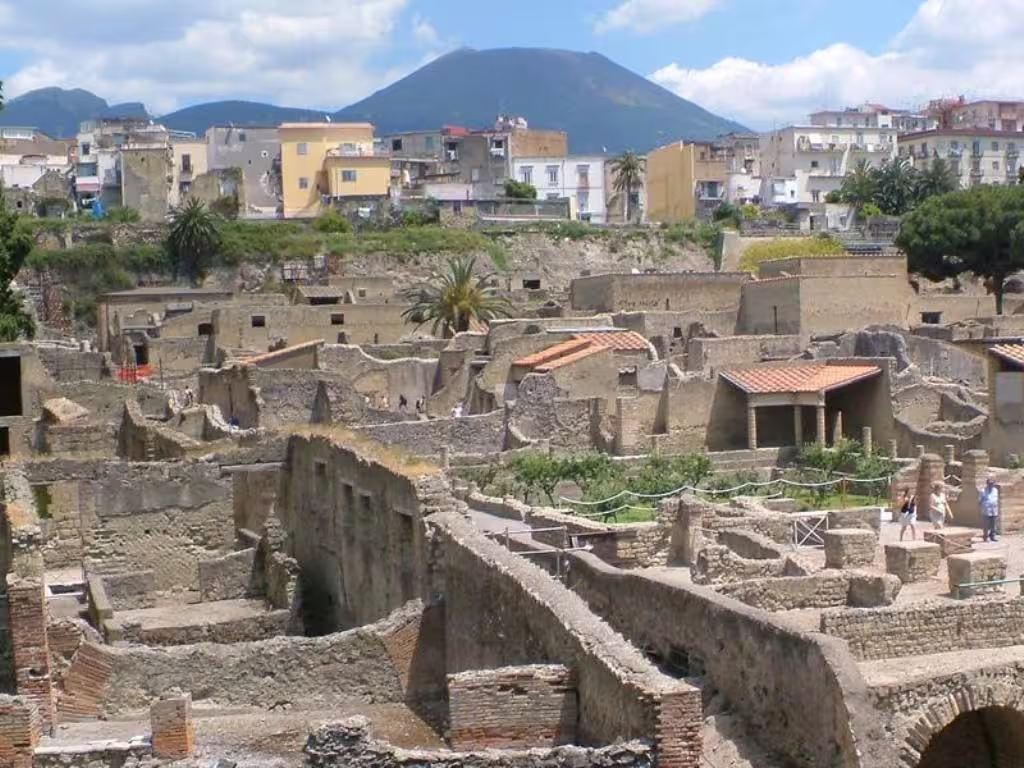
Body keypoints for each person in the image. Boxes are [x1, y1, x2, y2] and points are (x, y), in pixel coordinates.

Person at [981, 476, 1000, 542]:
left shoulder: (995, 490)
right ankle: (985, 537)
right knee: (986, 525)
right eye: (990, 483)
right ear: (987, 483)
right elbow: (980, 500)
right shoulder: (983, 491)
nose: (991, 485)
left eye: (992, 484)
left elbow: (996, 499)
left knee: (993, 525)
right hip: (986, 510)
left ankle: (992, 536)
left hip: (994, 510)